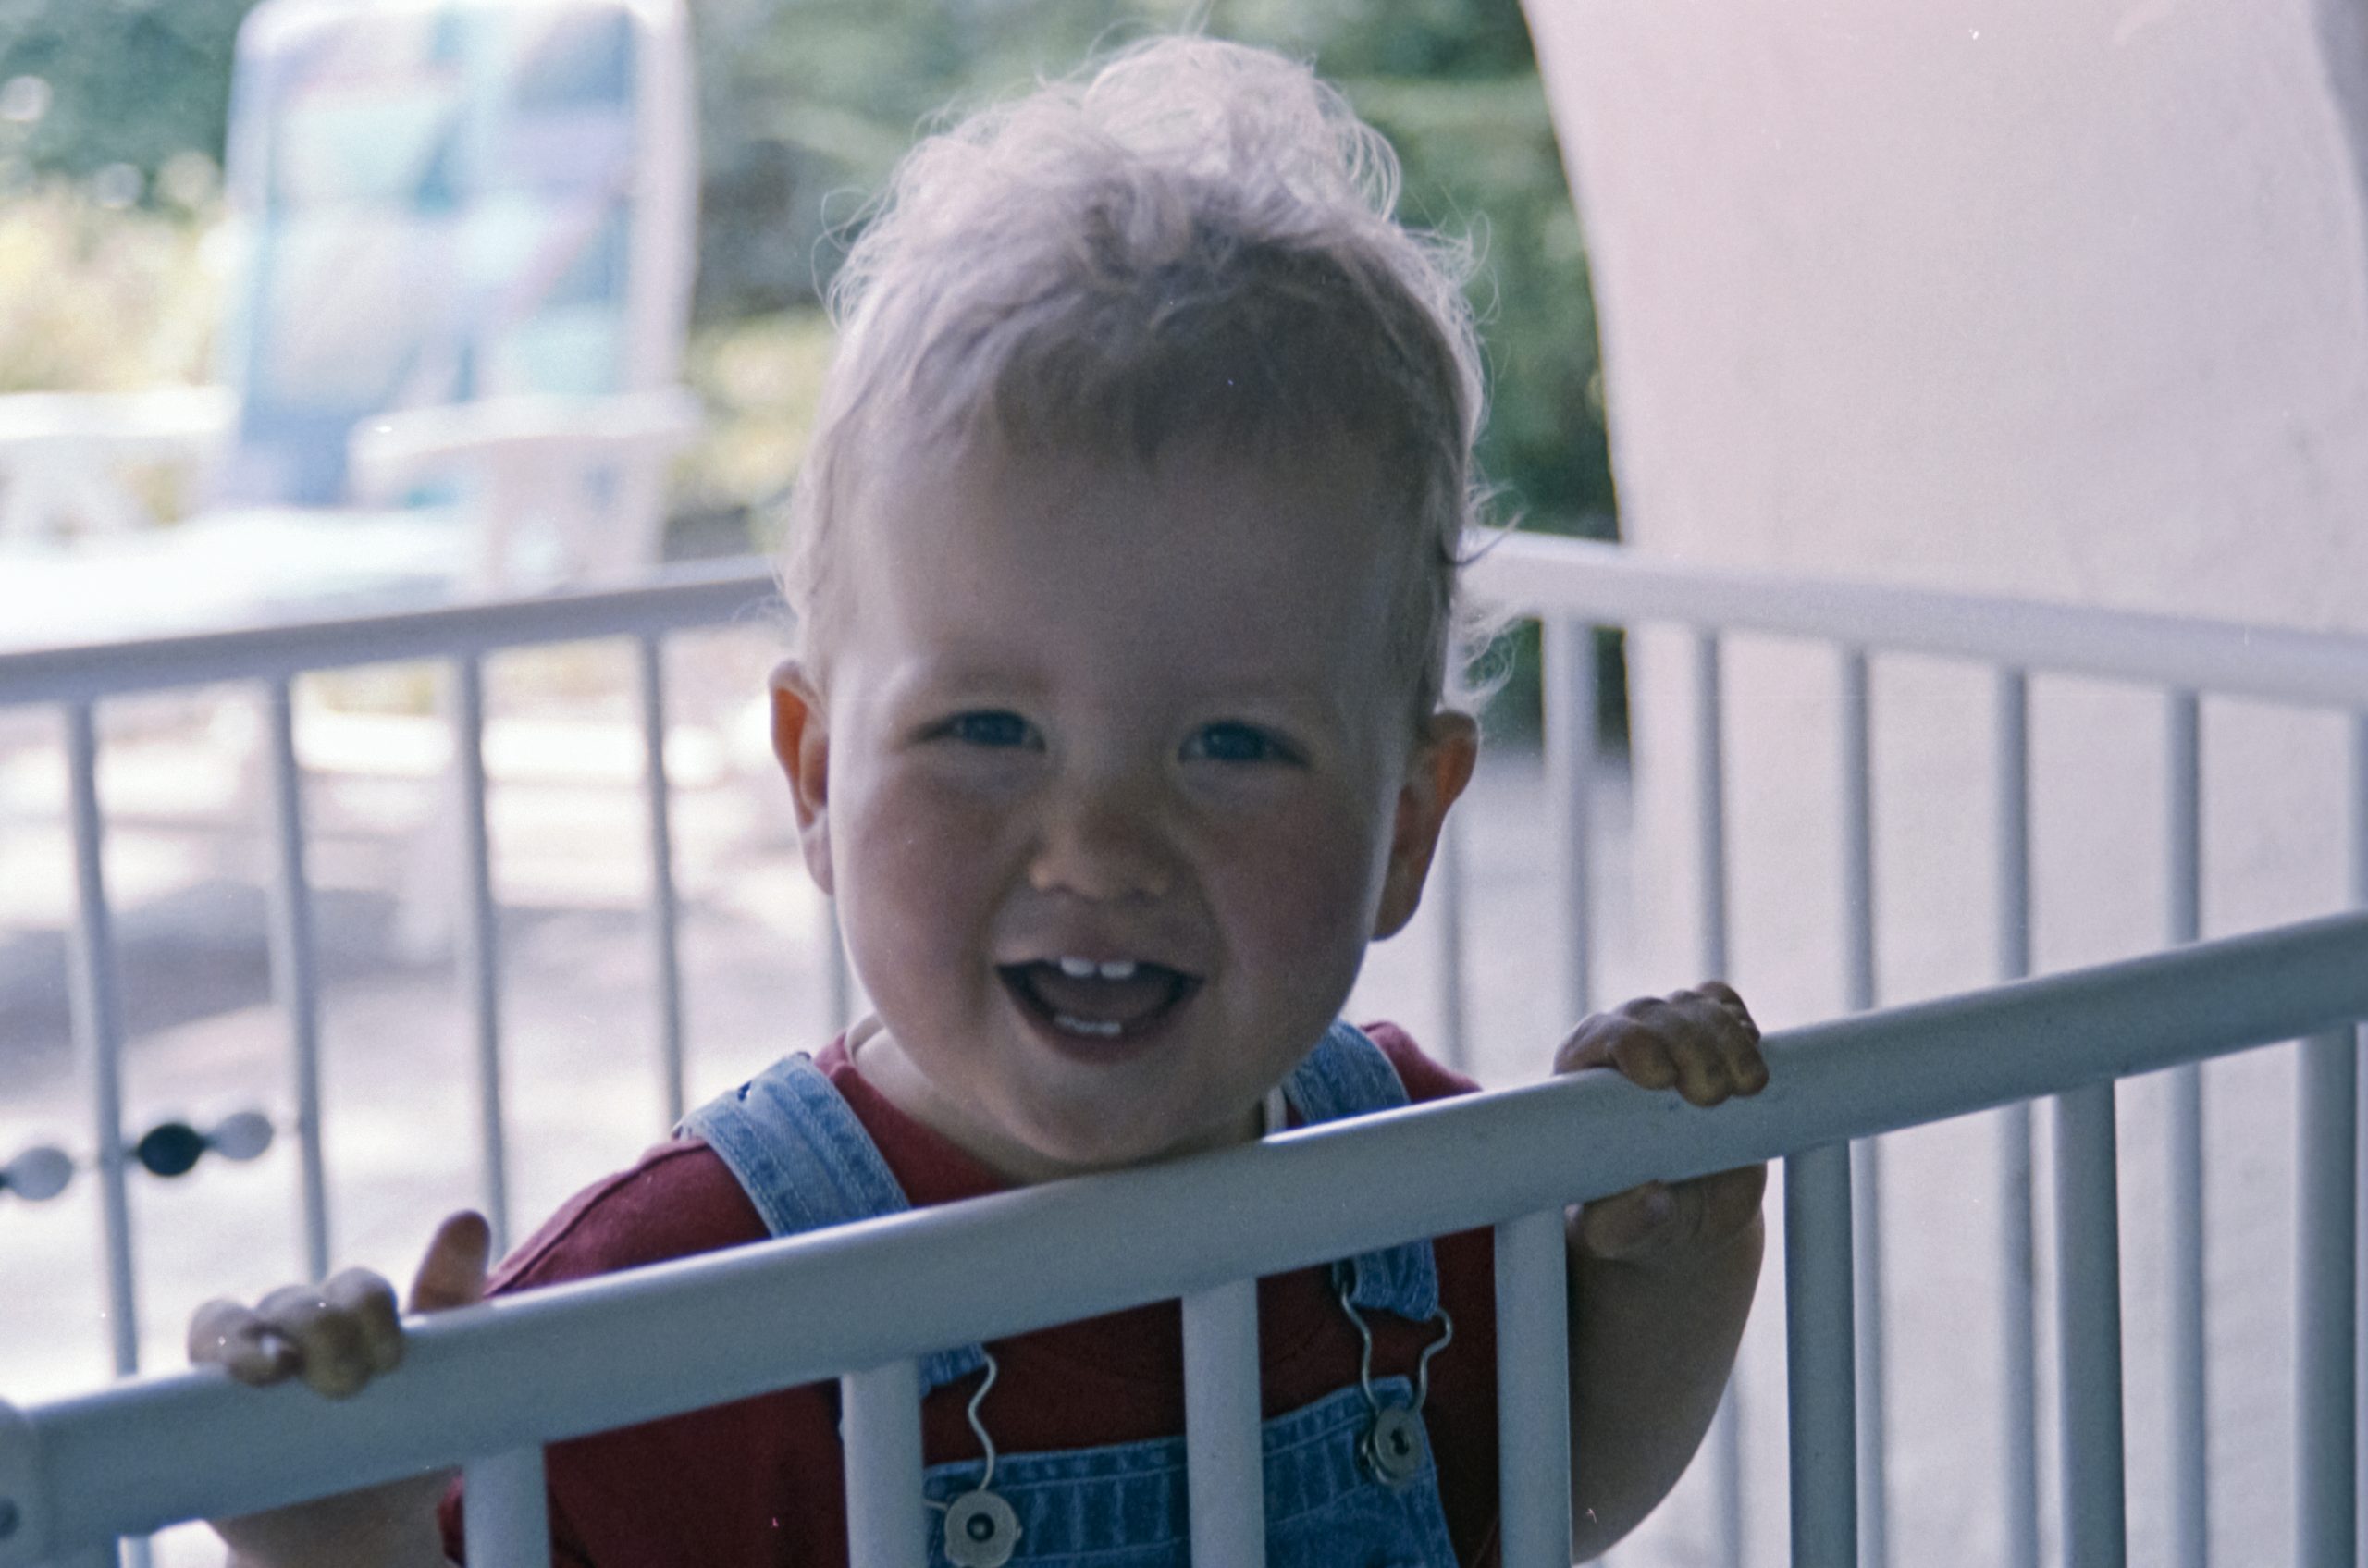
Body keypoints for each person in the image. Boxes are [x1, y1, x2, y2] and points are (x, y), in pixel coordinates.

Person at [191, 35, 1770, 1568]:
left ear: (1408, 825)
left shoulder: (1419, 1179)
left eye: (1232, 745)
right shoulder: (672, 1298)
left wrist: (1674, 1257)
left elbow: (1556, 1498)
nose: (1101, 848)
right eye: (990, 729)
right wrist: (341, 1545)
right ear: (819, 774)